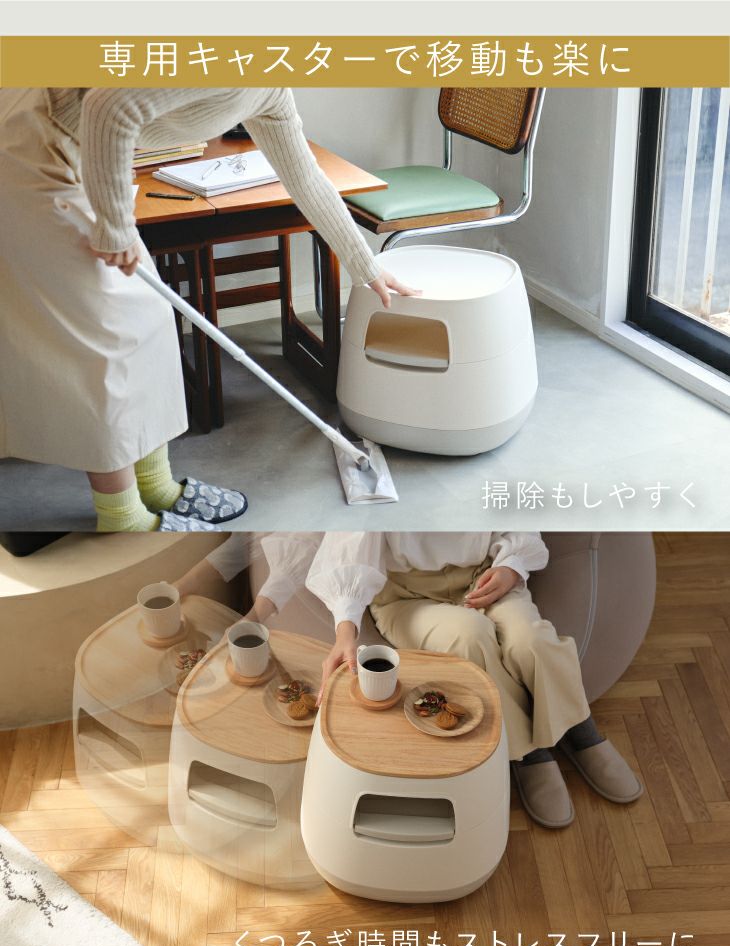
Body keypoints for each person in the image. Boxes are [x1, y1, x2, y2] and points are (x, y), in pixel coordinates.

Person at [0, 89, 416, 532]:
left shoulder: (271, 85)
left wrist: (364, 265)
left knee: (149, 316)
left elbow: (305, 177)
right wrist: (116, 226)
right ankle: (123, 519)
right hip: (33, 147)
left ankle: (156, 487)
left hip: (84, 152)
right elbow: (107, 107)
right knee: (105, 341)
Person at [306, 531, 643, 829]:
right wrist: (345, 631)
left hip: (484, 574)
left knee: (532, 641)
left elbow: (513, 511)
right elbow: (350, 542)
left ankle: (581, 731)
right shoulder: (378, 483)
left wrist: (511, 567)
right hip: (406, 596)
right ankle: (527, 754)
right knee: (469, 637)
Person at [175, 531, 323, 625]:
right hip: (276, 591)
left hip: (313, 610)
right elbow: (253, 537)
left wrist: (252, 619)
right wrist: (189, 581)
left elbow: (303, 548)